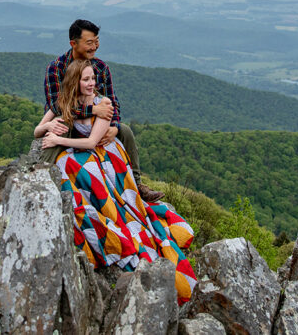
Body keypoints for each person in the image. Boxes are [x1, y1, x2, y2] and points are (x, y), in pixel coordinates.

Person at [35, 59, 196, 304]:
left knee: (83, 168)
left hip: (106, 154)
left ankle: (116, 207)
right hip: (81, 153)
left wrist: (59, 141)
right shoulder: (65, 102)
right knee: (66, 164)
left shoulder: (104, 104)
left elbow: (91, 143)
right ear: (74, 82)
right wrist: (49, 125)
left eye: (92, 79)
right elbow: (36, 131)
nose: (91, 84)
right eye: (85, 79)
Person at [43, 19, 164, 203]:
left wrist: (113, 126)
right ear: (73, 44)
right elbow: (57, 105)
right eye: (89, 42)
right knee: (60, 123)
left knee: (125, 131)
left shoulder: (100, 68)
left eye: (96, 41)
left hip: (94, 123)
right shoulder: (57, 68)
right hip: (68, 118)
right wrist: (93, 109)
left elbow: (112, 101)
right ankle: (42, 175)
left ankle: (136, 184)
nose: (95, 47)